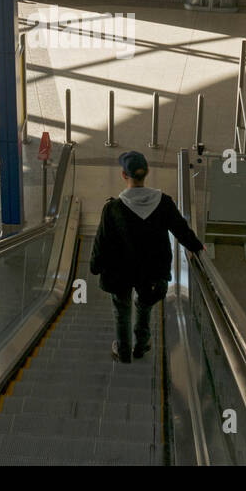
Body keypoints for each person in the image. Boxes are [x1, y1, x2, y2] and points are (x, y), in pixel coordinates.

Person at [90, 151, 204, 363]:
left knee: (122, 311)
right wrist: (197, 246)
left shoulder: (112, 209)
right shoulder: (164, 203)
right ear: (147, 172)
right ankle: (141, 346)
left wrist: (95, 266)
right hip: (152, 272)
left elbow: (101, 243)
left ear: (124, 175)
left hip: (119, 274)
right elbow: (182, 230)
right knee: (144, 307)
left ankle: (123, 352)